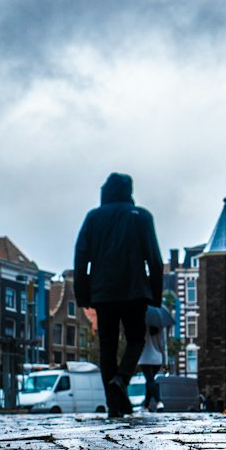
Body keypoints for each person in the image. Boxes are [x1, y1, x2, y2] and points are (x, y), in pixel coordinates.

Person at [73, 173, 163, 418]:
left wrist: (82, 294)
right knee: (135, 340)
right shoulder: (141, 216)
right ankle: (121, 380)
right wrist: (156, 295)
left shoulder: (93, 218)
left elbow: (80, 257)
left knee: (107, 347)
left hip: (103, 292)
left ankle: (115, 405)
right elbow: (154, 258)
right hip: (135, 290)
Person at [138, 303, 173, 412]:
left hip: (144, 357)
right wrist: (165, 361)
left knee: (149, 380)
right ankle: (145, 406)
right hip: (157, 358)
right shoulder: (160, 327)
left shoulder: (142, 325)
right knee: (150, 381)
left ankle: (158, 402)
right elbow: (163, 345)